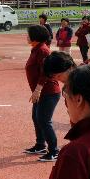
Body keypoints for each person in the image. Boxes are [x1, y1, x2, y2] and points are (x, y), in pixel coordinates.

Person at [22, 25, 63, 161]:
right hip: (40, 92)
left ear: (35, 36)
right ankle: (40, 145)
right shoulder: (36, 49)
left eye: (28, 34)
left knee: (44, 120)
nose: (26, 36)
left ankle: (54, 150)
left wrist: (37, 90)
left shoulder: (43, 51)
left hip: (48, 91)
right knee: (36, 117)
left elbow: (45, 72)